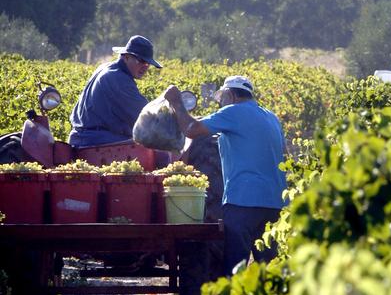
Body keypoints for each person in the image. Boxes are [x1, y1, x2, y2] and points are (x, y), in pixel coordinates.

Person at [164, 75, 287, 276]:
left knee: (234, 271)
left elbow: (191, 129)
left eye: (222, 98)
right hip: (275, 204)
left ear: (230, 95)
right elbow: (284, 155)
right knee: (271, 274)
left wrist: (177, 103)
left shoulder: (233, 111)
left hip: (243, 203)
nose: (221, 103)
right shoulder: (271, 118)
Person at [68, 35, 162, 147]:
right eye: (141, 61)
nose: (145, 67)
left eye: (148, 63)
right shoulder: (118, 79)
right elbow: (147, 116)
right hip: (96, 140)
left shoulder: (105, 68)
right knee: (157, 147)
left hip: (80, 138)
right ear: (126, 57)